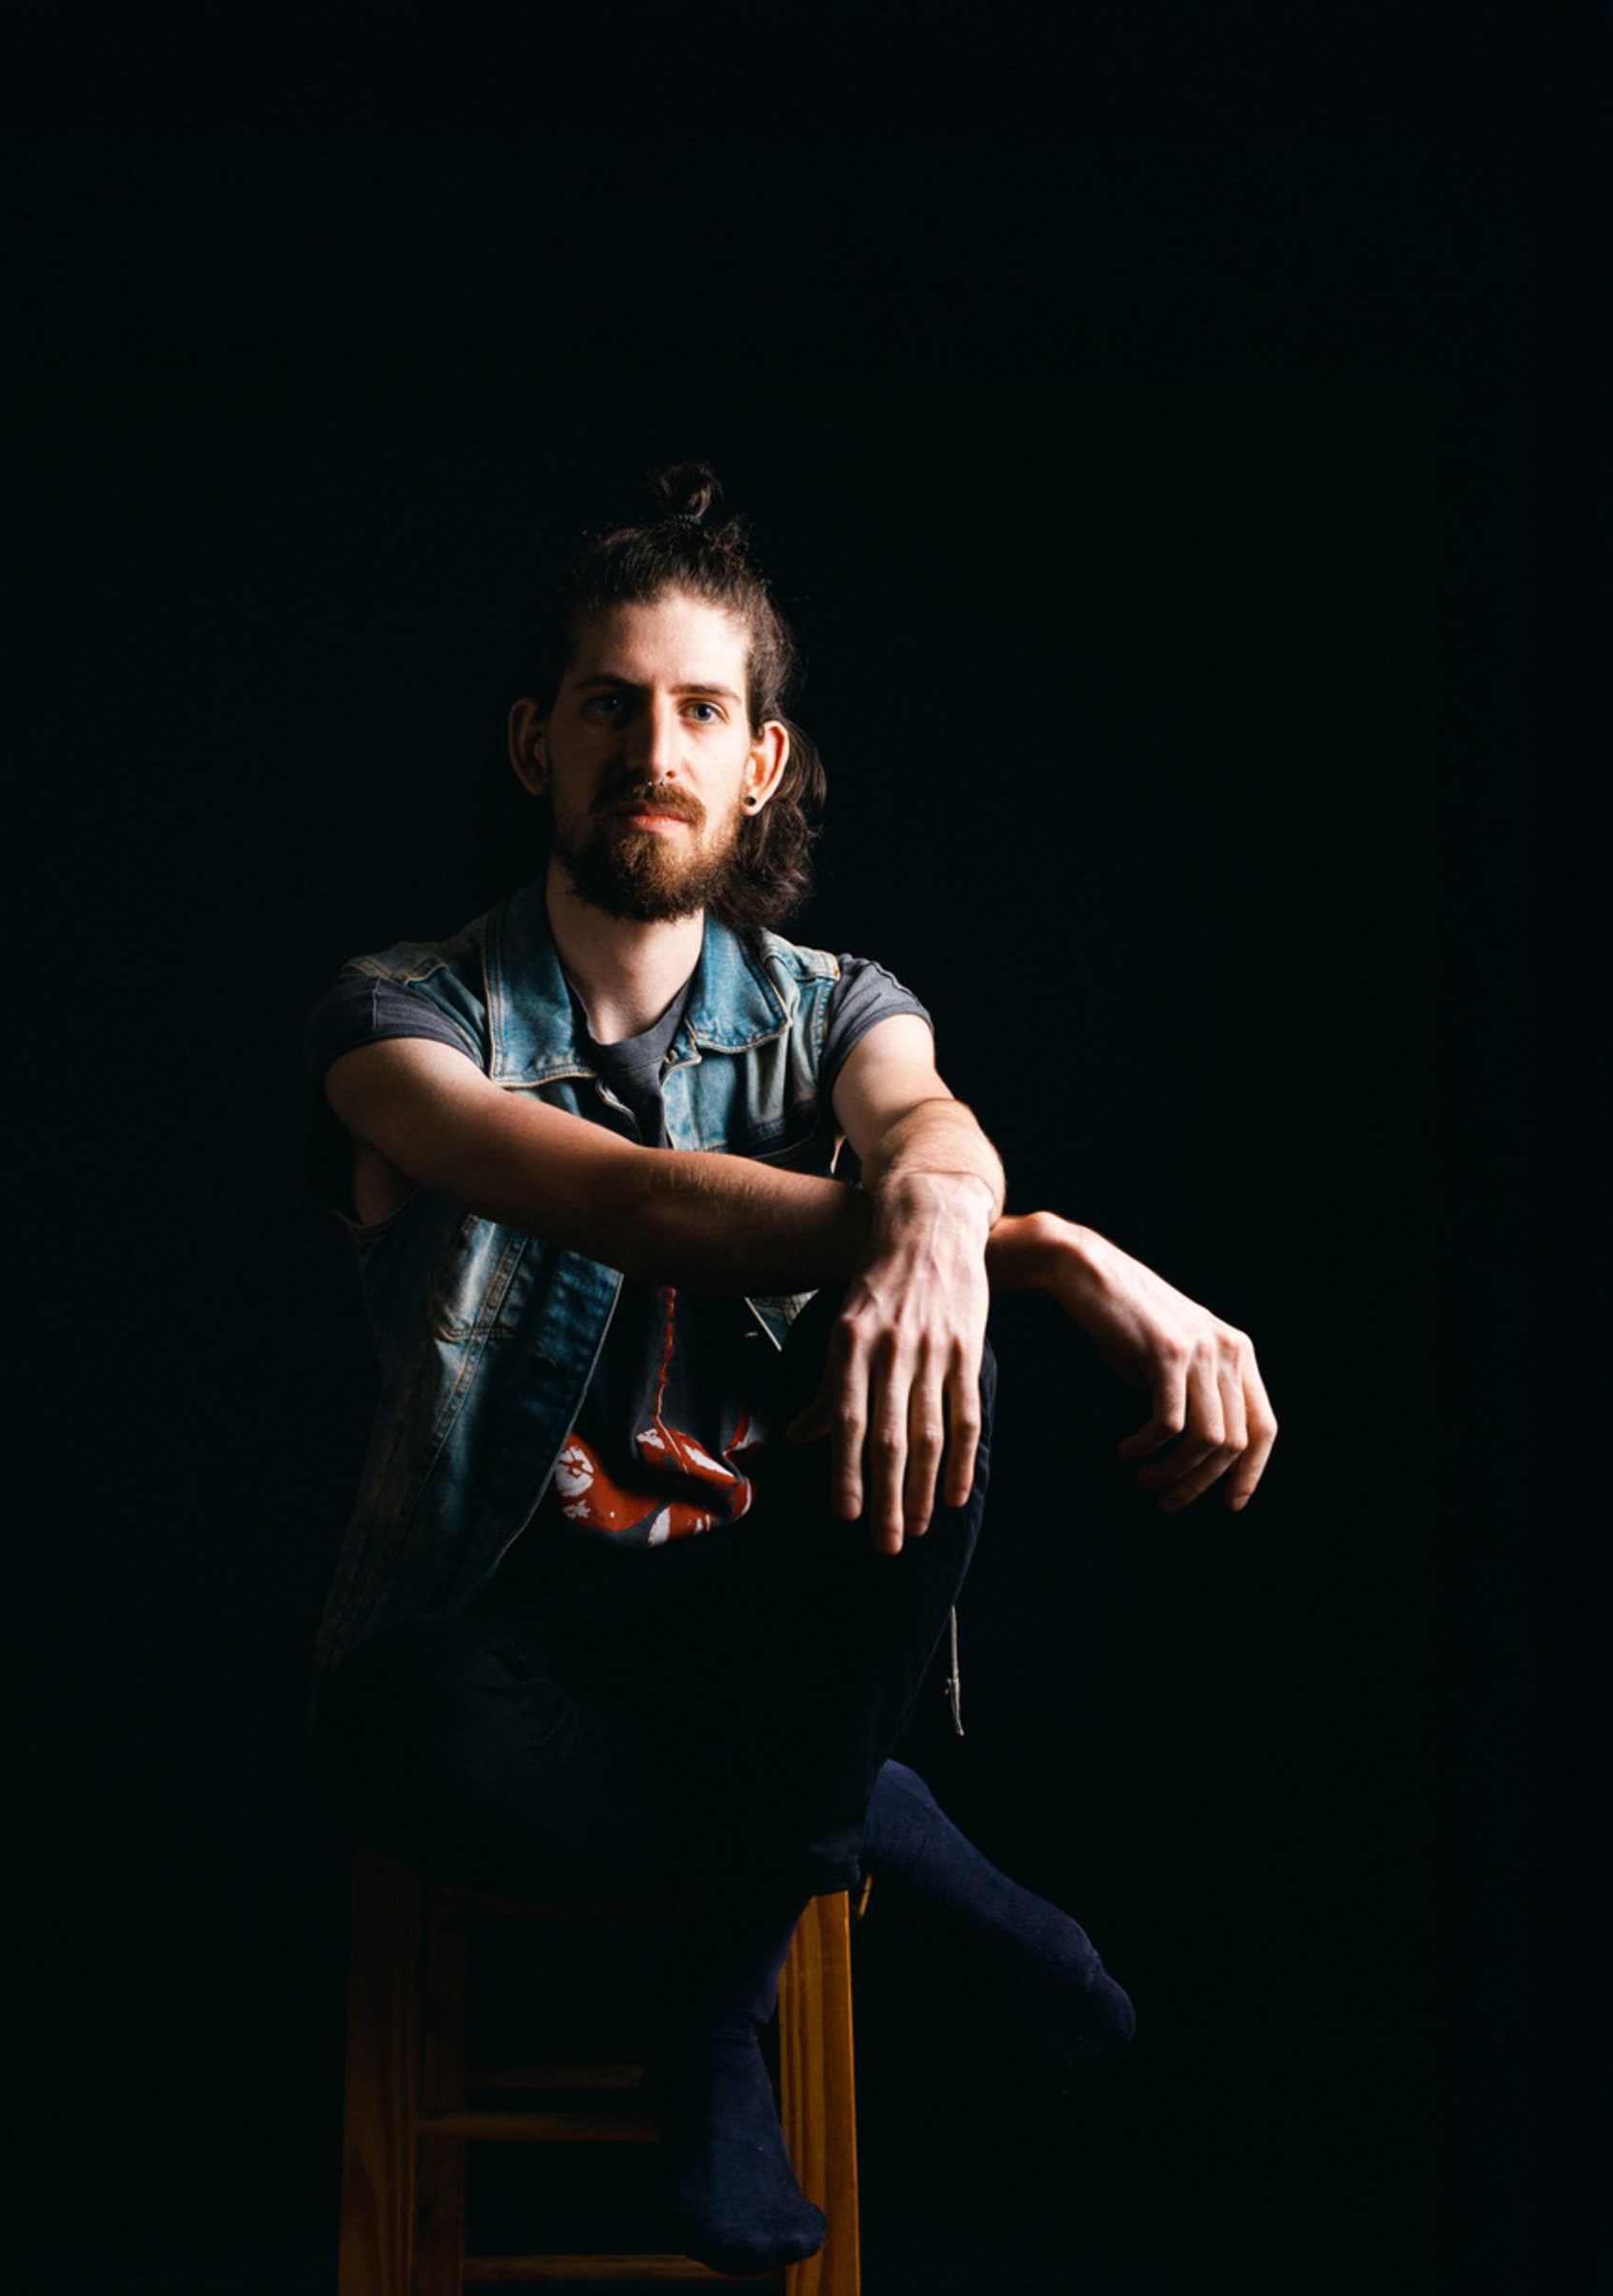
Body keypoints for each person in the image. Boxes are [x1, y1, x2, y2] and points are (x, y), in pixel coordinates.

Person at [302, 464, 1277, 2275]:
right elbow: (638, 1199)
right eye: (607, 705)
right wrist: (1044, 1253)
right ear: (537, 743)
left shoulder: (839, 1003)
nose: (647, 747)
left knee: (936, 1405)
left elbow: (928, 1122)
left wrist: (962, 1224)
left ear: (758, 763)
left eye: (696, 710)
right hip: (512, 1650)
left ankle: (710, 2020)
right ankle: (873, 1835)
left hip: (756, 1626)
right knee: (393, 1728)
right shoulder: (400, 1017)